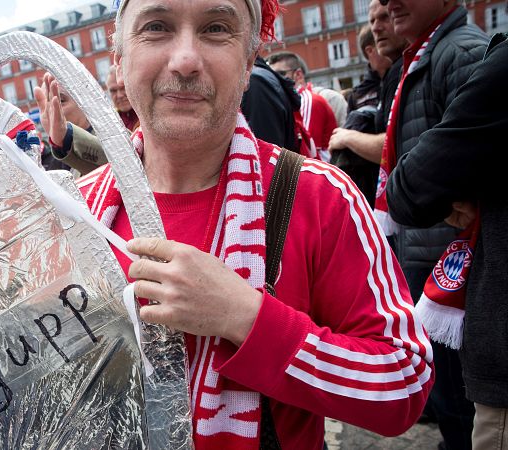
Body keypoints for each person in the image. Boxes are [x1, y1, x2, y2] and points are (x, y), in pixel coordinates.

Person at [79, 0, 432, 448]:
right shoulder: (71, 213)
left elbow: (405, 385)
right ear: (119, 59)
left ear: (248, 64)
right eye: (156, 27)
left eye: (215, 29)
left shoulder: (319, 197)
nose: (186, 59)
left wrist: (246, 318)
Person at [376, 1, 488, 449]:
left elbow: (474, 160)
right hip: (429, 250)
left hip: (456, 263)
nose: (389, 4)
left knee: (462, 401)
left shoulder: (461, 52)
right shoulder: (424, 54)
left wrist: (428, 197)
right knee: (447, 398)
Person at [328, 0, 407, 169]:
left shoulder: (402, 70)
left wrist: (347, 137)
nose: (376, 28)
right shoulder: (395, 72)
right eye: (372, 21)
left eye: (385, 17)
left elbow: (397, 146)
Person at [329, 24, 395, 206]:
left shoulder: (400, 77)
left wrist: (348, 137)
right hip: (368, 180)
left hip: (395, 177)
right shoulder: (359, 93)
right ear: (370, 50)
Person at [267, 51, 338, 160]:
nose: (274, 80)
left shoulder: (308, 101)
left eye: (280, 74)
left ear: (298, 75)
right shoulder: (294, 101)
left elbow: (305, 151)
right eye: (271, 75)